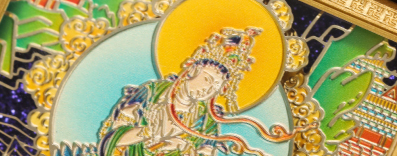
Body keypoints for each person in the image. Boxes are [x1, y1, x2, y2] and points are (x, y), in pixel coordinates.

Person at [97, 28, 277, 156]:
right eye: (207, 79)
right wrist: (148, 133)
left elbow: (205, 152)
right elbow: (112, 140)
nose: (208, 90)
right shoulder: (151, 93)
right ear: (192, 71)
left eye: (215, 87)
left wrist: (185, 148)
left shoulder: (206, 120)